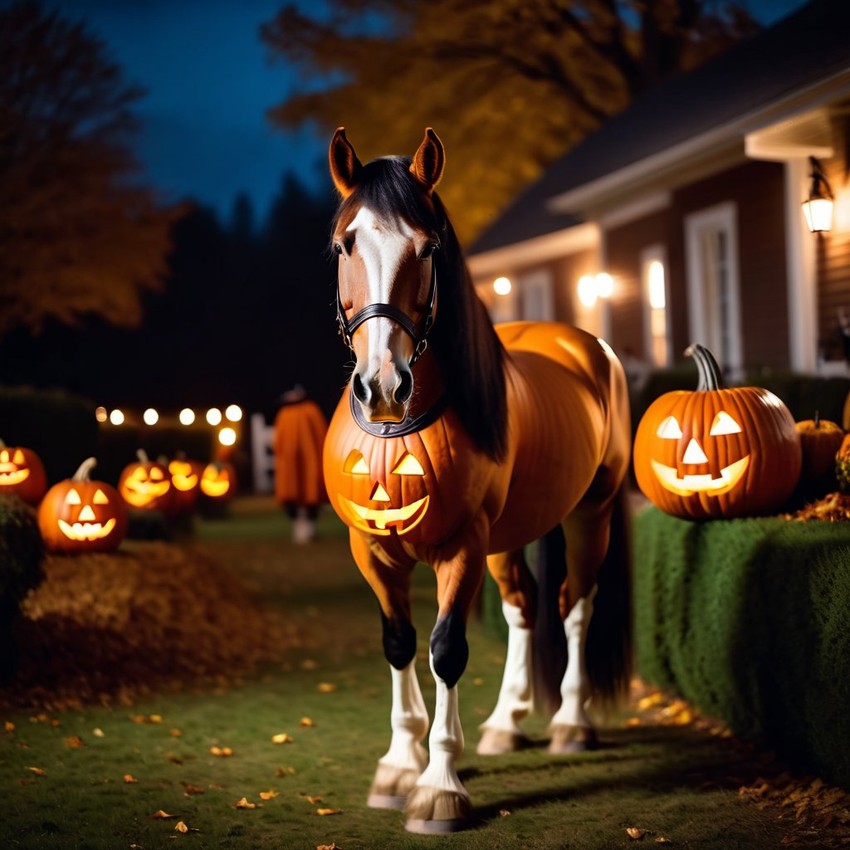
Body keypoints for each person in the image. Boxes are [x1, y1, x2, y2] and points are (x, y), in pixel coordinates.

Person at [272, 385, 328, 543]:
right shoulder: (285, 415)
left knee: (310, 492)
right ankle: (299, 526)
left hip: (308, 461)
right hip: (292, 464)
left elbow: (320, 437)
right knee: (293, 492)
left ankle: (309, 527)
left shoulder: (310, 411)